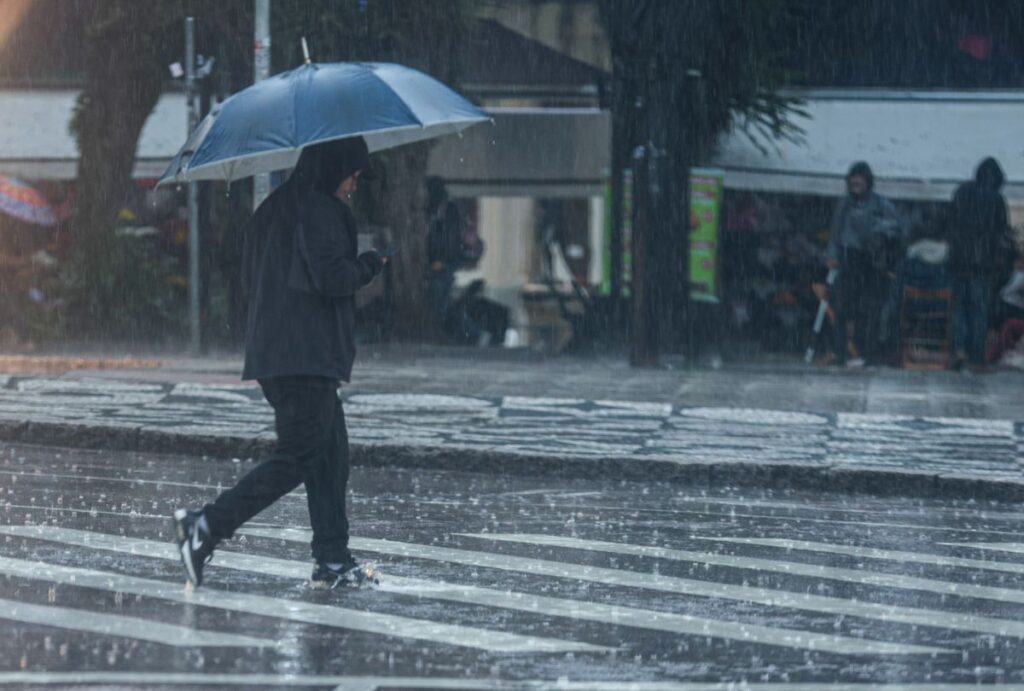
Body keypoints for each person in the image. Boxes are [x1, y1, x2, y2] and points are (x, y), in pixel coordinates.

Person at [173, 137, 384, 590]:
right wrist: (368, 265)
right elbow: (333, 278)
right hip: (306, 355)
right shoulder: (320, 209)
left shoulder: (271, 210)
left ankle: (332, 558)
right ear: (334, 168)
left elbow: (251, 278)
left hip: (279, 353)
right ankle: (205, 526)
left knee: (331, 457)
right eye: (352, 172)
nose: (353, 183)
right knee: (297, 458)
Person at [825, 161, 903, 366]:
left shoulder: (880, 204)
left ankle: (869, 353)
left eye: (860, 178)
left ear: (867, 181)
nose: (856, 182)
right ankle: (840, 352)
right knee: (842, 309)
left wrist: (877, 232)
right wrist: (832, 255)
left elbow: (896, 226)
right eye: (853, 178)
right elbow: (835, 232)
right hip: (849, 258)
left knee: (870, 310)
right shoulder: (845, 205)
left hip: (871, 262)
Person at [946, 157, 1014, 368]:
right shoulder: (996, 199)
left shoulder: (962, 192)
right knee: (979, 311)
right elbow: (1002, 234)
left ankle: (958, 350)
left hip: (958, 261)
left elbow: (949, 222)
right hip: (982, 265)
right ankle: (976, 356)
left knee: (959, 309)